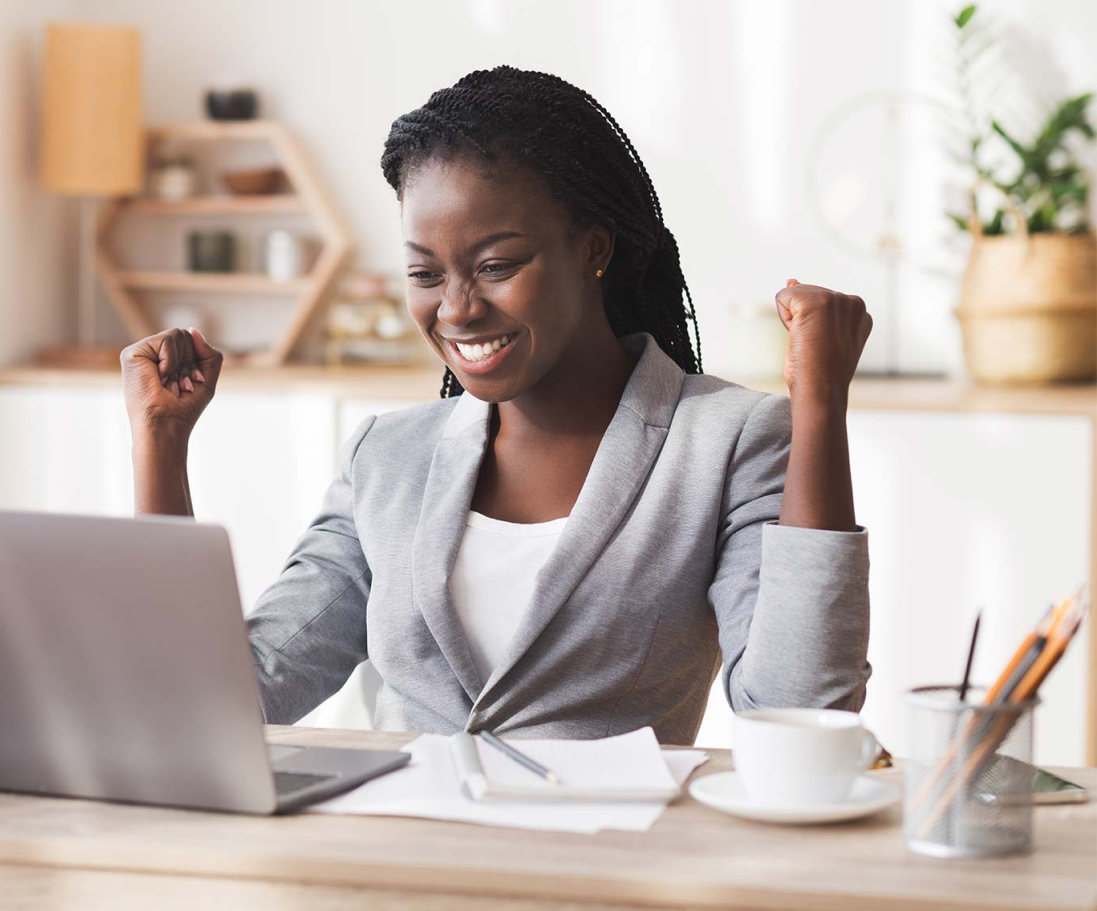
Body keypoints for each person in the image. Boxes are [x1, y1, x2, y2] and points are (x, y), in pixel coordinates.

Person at [122, 66, 873, 743]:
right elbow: (222, 701)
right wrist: (159, 443)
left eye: (496, 266)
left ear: (593, 249)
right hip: (396, 876)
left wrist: (819, 407)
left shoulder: (725, 440)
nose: (457, 309)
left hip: (611, 879)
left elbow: (798, 707)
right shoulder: (387, 456)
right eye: (425, 274)